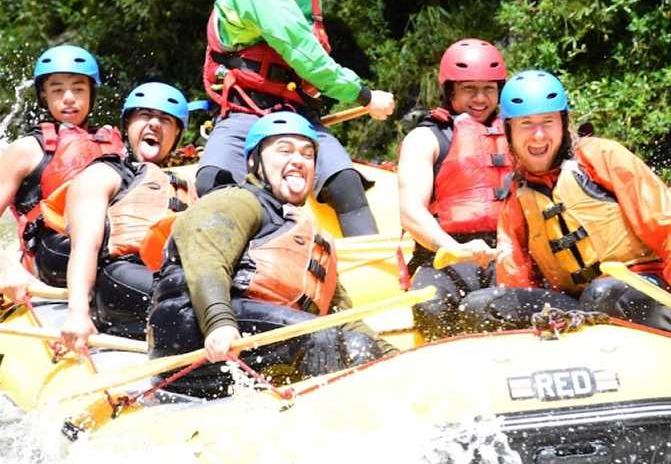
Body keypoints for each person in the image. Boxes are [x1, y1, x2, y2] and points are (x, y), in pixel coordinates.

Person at [149, 112, 392, 398]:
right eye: (284, 150)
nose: (299, 160)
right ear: (254, 162)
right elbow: (207, 260)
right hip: (190, 330)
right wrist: (219, 324)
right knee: (323, 337)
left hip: (257, 334)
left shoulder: (303, 233)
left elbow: (339, 314)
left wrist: (388, 354)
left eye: (308, 154)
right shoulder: (236, 200)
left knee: (356, 344)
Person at [462, 70, 671, 333]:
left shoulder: (602, 157)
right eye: (526, 124)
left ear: (563, 123)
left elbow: (669, 224)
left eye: (548, 121)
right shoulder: (518, 195)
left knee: (601, 295)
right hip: (574, 303)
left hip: (642, 284)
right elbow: (516, 277)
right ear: (508, 130)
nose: (539, 135)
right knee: (481, 306)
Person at [197, 0, 395, 237]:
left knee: (346, 183)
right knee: (213, 180)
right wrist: (364, 95)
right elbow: (307, 58)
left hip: (298, 116)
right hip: (245, 112)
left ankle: (374, 274)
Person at [52, 82, 196, 349]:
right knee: (195, 293)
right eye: (144, 115)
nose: (154, 124)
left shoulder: (188, 187)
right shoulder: (104, 174)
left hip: (169, 278)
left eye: (165, 120)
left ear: (176, 134)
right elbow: (85, 245)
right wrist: (77, 313)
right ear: (127, 126)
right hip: (120, 280)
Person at [397, 39, 509, 339]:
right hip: (444, 255)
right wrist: (453, 249)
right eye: (469, 89)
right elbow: (411, 212)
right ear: (451, 91)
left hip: (504, 252)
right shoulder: (425, 139)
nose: (480, 98)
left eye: (488, 89)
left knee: (502, 302)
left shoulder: (517, 133)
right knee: (431, 304)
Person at [0, 45, 123, 302]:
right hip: (49, 268)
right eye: (57, 89)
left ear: (92, 94)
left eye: (78, 88)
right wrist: (5, 267)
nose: (69, 97)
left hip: (107, 259)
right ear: (44, 96)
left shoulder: (111, 145)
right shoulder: (26, 149)